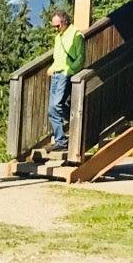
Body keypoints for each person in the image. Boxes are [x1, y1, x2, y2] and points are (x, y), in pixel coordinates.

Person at [46, 8, 85, 157]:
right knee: (52, 108)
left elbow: (80, 57)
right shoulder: (58, 37)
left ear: (65, 22)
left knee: (57, 105)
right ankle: (60, 139)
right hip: (57, 74)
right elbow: (58, 58)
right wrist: (53, 68)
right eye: (54, 26)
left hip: (66, 74)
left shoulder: (76, 35)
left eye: (57, 26)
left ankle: (63, 139)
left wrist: (69, 71)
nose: (56, 29)